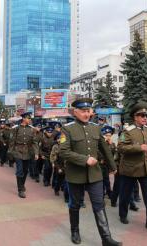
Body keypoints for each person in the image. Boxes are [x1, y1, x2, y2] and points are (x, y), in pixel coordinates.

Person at [59, 98, 121, 246]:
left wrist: (113, 166)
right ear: (75, 112)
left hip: (95, 174)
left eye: (89, 111)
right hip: (75, 174)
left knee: (99, 205)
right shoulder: (67, 128)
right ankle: (75, 231)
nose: (87, 114)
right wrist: (84, 159)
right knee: (75, 205)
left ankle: (106, 238)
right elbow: (64, 152)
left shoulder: (95, 128)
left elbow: (104, 148)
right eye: (83, 111)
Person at [117, 102, 147, 231]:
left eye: (146, 115)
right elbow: (120, 147)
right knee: (125, 194)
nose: (145, 118)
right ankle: (123, 214)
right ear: (135, 117)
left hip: (144, 168)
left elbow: (146, 147)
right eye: (142, 115)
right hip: (130, 169)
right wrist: (138, 148)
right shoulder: (127, 131)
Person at [9, 112, 39, 198]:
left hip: (28, 152)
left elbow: (35, 142)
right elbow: (12, 141)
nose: (30, 120)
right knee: (20, 170)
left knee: (25, 170)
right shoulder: (16, 128)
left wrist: (36, 153)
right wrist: (10, 152)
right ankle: (20, 190)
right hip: (18, 151)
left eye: (30, 118)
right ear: (23, 119)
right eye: (28, 118)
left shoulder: (32, 129)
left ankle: (22, 184)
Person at [50, 132, 69, 201]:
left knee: (66, 182)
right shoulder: (58, 149)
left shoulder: (68, 149)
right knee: (58, 180)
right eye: (60, 139)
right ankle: (56, 189)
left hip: (67, 168)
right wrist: (58, 168)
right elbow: (55, 160)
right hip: (60, 167)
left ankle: (66, 197)